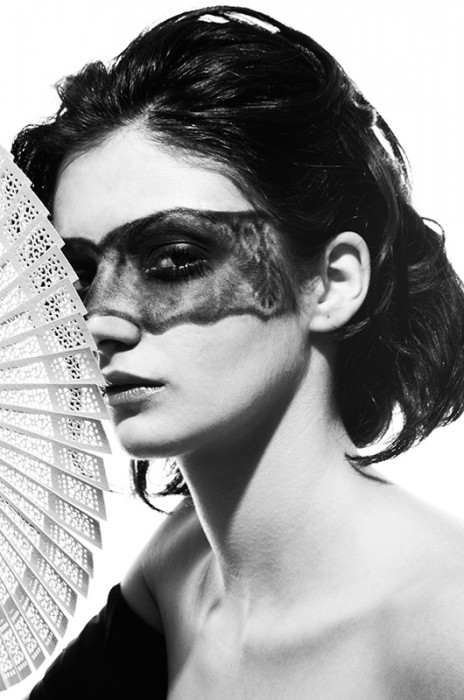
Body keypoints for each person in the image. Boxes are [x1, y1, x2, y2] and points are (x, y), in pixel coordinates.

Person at [13, 5, 464, 698]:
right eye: (78, 275)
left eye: (174, 259)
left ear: (333, 282)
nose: (99, 321)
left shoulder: (443, 627)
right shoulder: (177, 571)